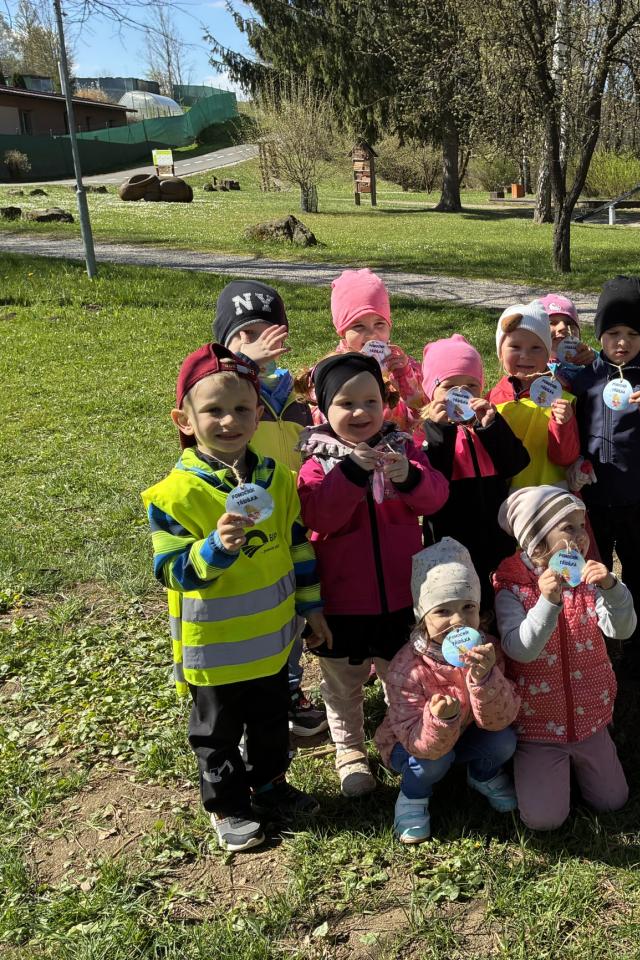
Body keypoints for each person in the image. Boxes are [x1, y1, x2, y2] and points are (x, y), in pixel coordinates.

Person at [142, 344, 327, 852]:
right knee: (217, 732)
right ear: (184, 419)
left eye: (243, 408)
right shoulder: (175, 495)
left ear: (259, 412)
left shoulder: (277, 480)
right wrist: (215, 549)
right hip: (215, 649)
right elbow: (171, 570)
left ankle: (269, 784)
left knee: (271, 722)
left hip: (273, 641)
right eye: (214, 410)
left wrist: (310, 606)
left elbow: (297, 546)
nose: (230, 421)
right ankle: (227, 805)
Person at [297, 353, 450, 798]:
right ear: (324, 409)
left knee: (400, 674)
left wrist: (410, 478)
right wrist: (350, 471)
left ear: (385, 403)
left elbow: (436, 498)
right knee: (342, 683)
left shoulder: (402, 447)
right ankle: (349, 750)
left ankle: (398, 737)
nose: (360, 412)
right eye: (346, 404)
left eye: (370, 401)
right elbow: (319, 514)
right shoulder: (317, 458)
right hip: (342, 601)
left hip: (401, 595)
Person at [212, 279, 327, 738]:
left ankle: (290, 689)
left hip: (292, 524)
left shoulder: (294, 398)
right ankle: (248, 700)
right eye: (244, 335)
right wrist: (245, 367)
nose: (258, 343)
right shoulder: (225, 398)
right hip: (244, 529)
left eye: (268, 332)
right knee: (255, 614)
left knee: (295, 611)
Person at [493, 486, 635, 830]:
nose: (581, 536)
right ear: (536, 540)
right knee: (543, 820)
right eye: (568, 527)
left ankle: (584, 758)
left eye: (582, 526)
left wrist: (612, 588)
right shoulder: (512, 587)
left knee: (613, 801)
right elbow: (520, 649)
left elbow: (623, 630)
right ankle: (534, 768)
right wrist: (547, 601)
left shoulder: (586, 580)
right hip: (537, 726)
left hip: (590, 718)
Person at [568, 276, 640, 678]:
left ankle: (638, 640)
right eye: (613, 333)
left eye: (632, 334)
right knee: (594, 567)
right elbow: (570, 425)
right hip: (595, 495)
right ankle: (596, 638)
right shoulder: (587, 374)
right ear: (599, 333)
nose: (622, 342)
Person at [375, 538, 520, 843]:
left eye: (468, 607)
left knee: (504, 741)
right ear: (422, 619)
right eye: (442, 611)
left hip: (464, 735)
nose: (458, 621)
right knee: (434, 761)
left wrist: (484, 677)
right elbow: (418, 742)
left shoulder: (488, 650)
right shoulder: (407, 667)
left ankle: (481, 775)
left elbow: (500, 719)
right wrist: (440, 718)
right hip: (412, 744)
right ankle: (413, 796)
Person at [417, 334, 531, 613]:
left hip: (496, 535)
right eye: (449, 386)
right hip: (450, 537)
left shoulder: (487, 421)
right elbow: (432, 479)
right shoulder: (426, 431)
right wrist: (440, 432)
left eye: (471, 385)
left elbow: (517, 463)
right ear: (432, 391)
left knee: (499, 594)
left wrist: (491, 427)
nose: (462, 392)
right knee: (461, 597)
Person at [488, 301, 581, 489]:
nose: (525, 355)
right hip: (507, 498)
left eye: (536, 348)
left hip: (553, 493)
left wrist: (563, 424)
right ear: (500, 354)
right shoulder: (492, 399)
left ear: (548, 354)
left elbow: (567, 458)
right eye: (515, 346)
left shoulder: (563, 397)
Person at [326, 268, 427, 431]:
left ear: (389, 325)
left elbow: (421, 414)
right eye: (358, 326)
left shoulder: (401, 364)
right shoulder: (333, 369)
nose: (372, 334)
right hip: (353, 444)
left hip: (398, 443)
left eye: (379, 324)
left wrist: (404, 375)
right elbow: (322, 415)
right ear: (342, 331)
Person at [541, 293, 596, 381]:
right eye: (551, 323)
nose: (563, 327)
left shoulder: (587, 362)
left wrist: (595, 361)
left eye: (569, 323)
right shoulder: (528, 363)